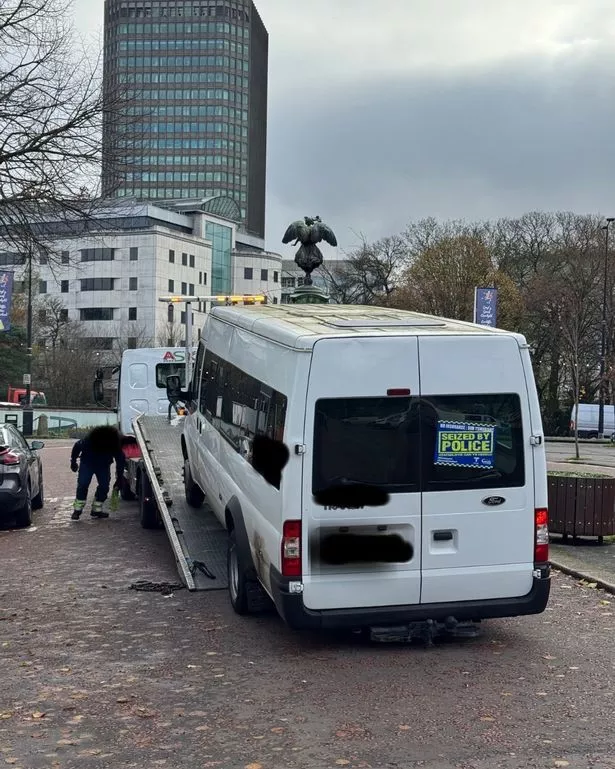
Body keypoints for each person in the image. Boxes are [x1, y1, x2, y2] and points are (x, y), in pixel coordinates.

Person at [70, 426, 126, 520]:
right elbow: (77, 446)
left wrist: (120, 477)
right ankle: (77, 510)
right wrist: (73, 461)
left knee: (104, 486)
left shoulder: (114, 443)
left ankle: (96, 510)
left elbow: (120, 460)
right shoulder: (89, 440)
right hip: (88, 463)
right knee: (83, 484)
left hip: (103, 465)